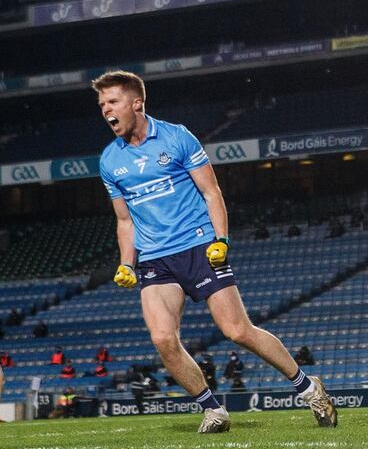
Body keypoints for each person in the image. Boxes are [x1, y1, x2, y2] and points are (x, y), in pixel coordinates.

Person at [93, 71, 336, 433]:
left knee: (237, 330)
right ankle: (212, 410)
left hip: (197, 247)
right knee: (162, 338)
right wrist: (126, 263)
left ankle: (307, 386)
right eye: (101, 105)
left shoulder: (176, 137)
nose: (106, 110)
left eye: (112, 102)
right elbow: (125, 221)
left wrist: (220, 239)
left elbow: (212, 193)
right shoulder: (110, 160)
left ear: (136, 103)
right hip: (155, 259)